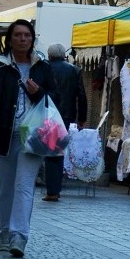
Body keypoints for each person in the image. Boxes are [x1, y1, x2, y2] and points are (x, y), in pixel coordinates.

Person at [0, 19, 56, 258]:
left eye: (27, 35)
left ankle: (19, 236)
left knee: (24, 185)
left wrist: (39, 92)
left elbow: (56, 98)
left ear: (32, 39)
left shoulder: (42, 67)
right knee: (6, 187)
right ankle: (4, 229)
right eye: (18, 35)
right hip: (3, 134)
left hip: (33, 135)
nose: (23, 39)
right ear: (10, 39)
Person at [42, 44, 88, 202]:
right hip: (66, 116)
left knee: (49, 150)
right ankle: (55, 188)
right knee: (58, 150)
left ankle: (52, 190)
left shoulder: (44, 68)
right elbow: (81, 96)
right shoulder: (74, 70)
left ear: (49, 54)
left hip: (46, 113)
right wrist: (82, 118)